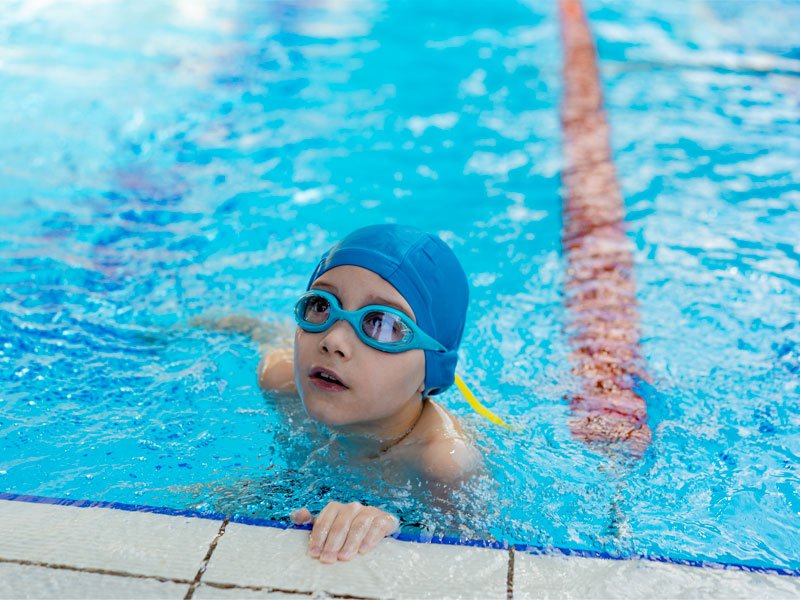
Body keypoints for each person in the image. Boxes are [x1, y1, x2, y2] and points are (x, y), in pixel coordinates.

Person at [201, 224, 481, 563]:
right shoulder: (282, 383)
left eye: (381, 324)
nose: (332, 340)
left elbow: (473, 566)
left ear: (431, 368)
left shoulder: (442, 463)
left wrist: (399, 528)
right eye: (321, 305)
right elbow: (262, 332)